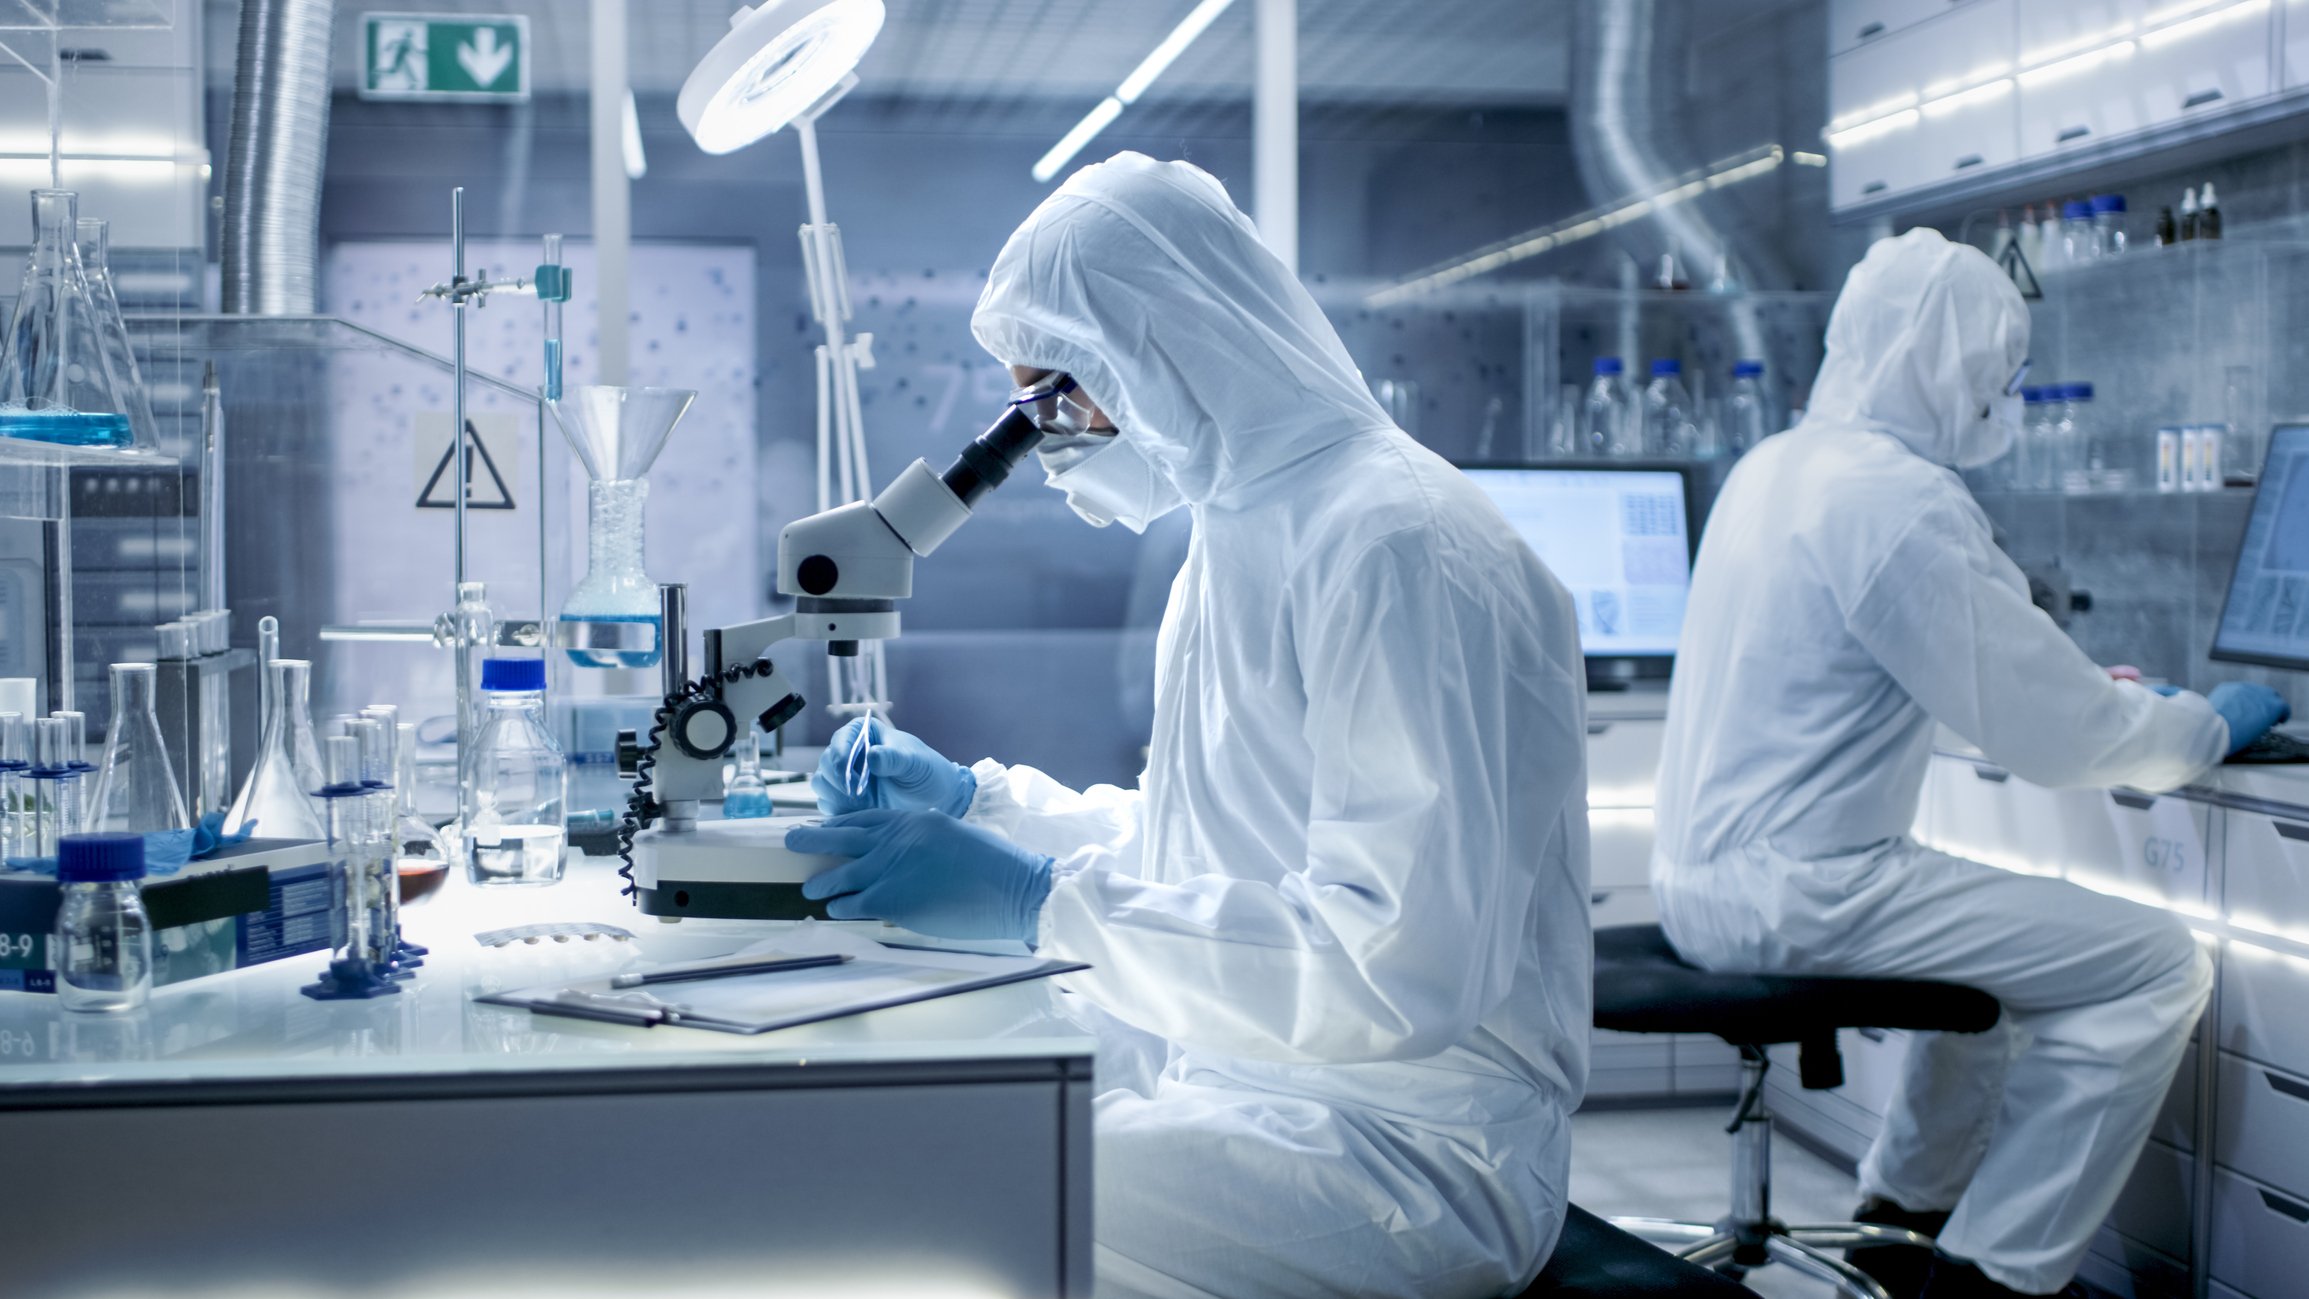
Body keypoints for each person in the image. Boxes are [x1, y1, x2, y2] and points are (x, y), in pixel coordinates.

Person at [783, 152, 1594, 1299]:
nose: (1050, 436)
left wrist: (1037, 904)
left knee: (945, 1167)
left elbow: (1393, 967)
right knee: (911, 1072)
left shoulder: (1400, 543)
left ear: (1163, 346)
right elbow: (1210, 851)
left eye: (1061, 395)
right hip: (1250, 1070)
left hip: (1410, 1153)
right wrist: (986, 808)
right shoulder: (1240, 533)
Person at [1649, 227, 2290, 1299]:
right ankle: (1994, 1274)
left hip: (1707, 882)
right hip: (1802, 891)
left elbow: (1916, 666)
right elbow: (2057, 736)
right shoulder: (1894, 499)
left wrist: (2086, 690)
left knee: (1997, 959)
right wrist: (2204, 728)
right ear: (1949, 365)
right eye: (1997, 373)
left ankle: (1906, 1214)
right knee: (2154, 965)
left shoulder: (1779, 466)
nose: (2004, 395)